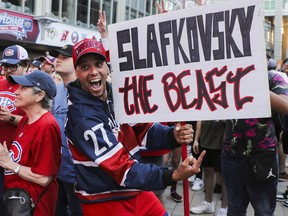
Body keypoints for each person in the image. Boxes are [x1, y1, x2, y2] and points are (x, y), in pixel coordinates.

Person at [65, 38, 206, 216]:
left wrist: (172, 136)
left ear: (107, 66)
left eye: (99, 64)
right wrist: (172, 175)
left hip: (135, 189)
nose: (94, 72)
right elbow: (122, 169)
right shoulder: (81, 117)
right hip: (104, 200)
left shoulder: (115, 95)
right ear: (76, 72)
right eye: (85, 67)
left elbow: (141, 130)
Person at [221, 68, 288, 215]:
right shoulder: (229, 75)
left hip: (263, 157)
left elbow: (285, 106)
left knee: (264, 210)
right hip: (232, 156)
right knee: (234, 210)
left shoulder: (273, 77)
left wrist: (254, 81)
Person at [0, 70, 61, 216]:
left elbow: (43, 178)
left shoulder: (46, 126)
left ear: (40, 96)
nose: (16, 92)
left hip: (34, 206)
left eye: (23, 88)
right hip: (16, 201)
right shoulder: (27, 119)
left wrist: (9, 164)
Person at [49, 44, 83, 216]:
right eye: (57, 57)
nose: (58, 60)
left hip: (80, 174)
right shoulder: (57, 91)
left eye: (64, 57)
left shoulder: (85, 90)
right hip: (58, 170)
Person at [190, 120, 227, 216]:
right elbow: (199, 119)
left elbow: (232, 121)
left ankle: (224, 208)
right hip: (205, 140)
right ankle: (208, 203)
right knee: (207, 171)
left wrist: (222, 118)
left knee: (223, 176)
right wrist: (196, 140)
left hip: (221, 144)